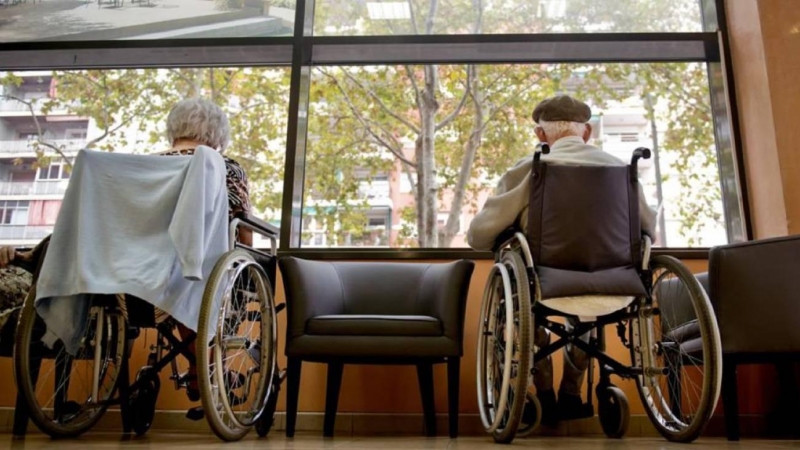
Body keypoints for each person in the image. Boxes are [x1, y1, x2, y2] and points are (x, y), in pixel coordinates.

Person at [0, 97, 252, 418]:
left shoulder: (134, 169)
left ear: (173, 131)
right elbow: (241, 227)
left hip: (118, 275)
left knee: (178, 274)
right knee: (198, 274)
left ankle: (197, 368)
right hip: (185, 273)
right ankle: (207, 369)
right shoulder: (223, 167)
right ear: (218, 137)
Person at [467, 95, 657, 427]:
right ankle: (572, 392)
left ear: (542, 135)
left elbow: (481, 234)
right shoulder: (619, 168)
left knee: (525, 294)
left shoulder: (533, 166)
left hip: (546, 280)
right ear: (587, 133)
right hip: (617, 280)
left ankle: (543, 393)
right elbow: (647, 228)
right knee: (583, 315)